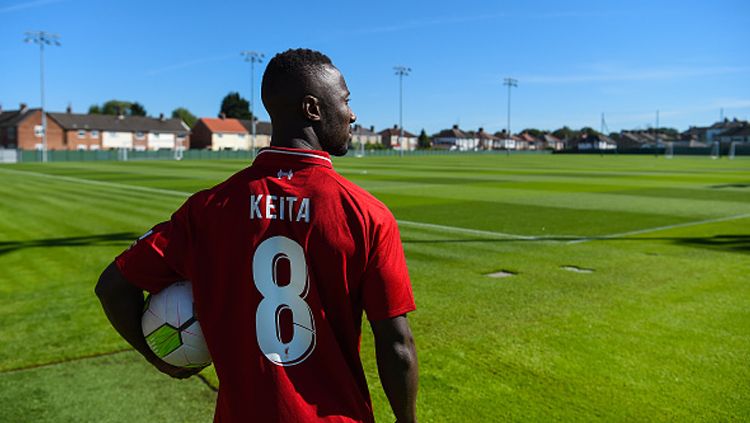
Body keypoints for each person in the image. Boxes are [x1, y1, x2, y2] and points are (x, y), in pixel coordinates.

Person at [95, 48, 418, 423]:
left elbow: (113, 286)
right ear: (312, 109)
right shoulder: (366, 214)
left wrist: (159, 357)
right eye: (345, 101)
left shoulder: (208, 210)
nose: (352, 113)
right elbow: (397, 344)